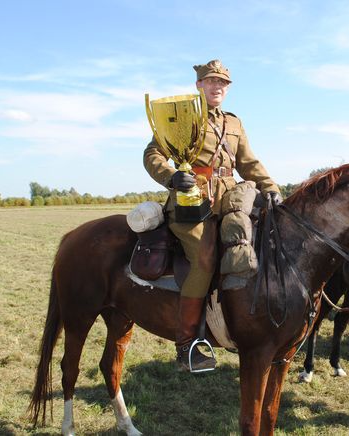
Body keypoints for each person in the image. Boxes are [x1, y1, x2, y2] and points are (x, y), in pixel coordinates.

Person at [143, 59, 281, 371]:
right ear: (199, 85)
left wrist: (270, 187)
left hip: (232, 200)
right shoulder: (181, 115)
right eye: (210, 81)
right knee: (205, 259)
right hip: (191, 203)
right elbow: (152, 153)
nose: (216, 86)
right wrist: (171, 176)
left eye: (222, 82)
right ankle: (187, 342)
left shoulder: (234, 123)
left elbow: (248, 163)